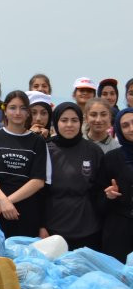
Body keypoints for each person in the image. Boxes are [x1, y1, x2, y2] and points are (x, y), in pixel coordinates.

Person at [0, 90, 51, 238]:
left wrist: (7, 202)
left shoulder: (38, 141)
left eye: (23, 108)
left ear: (28, 112)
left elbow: (38, 181)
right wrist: (2, 200)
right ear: (5, 111)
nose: (17, 112)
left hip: (25, 211)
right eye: (12, 108)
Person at [43, 102, 104, 251]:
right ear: (56, 122)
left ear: (81, 123)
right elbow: (38, 192)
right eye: (64, 120)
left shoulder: (93, 151)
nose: (69, 125)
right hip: (52, 228)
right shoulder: (45, 149)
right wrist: (41, 225)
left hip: (88, 228)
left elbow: (99, 190)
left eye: (74, 120)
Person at [101, 107, 133, 261]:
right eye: (125, 125)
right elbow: (98, 198)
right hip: (119, 231)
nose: (131, 128)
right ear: (119, 130)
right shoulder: (111, 158)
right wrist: (108, 196)